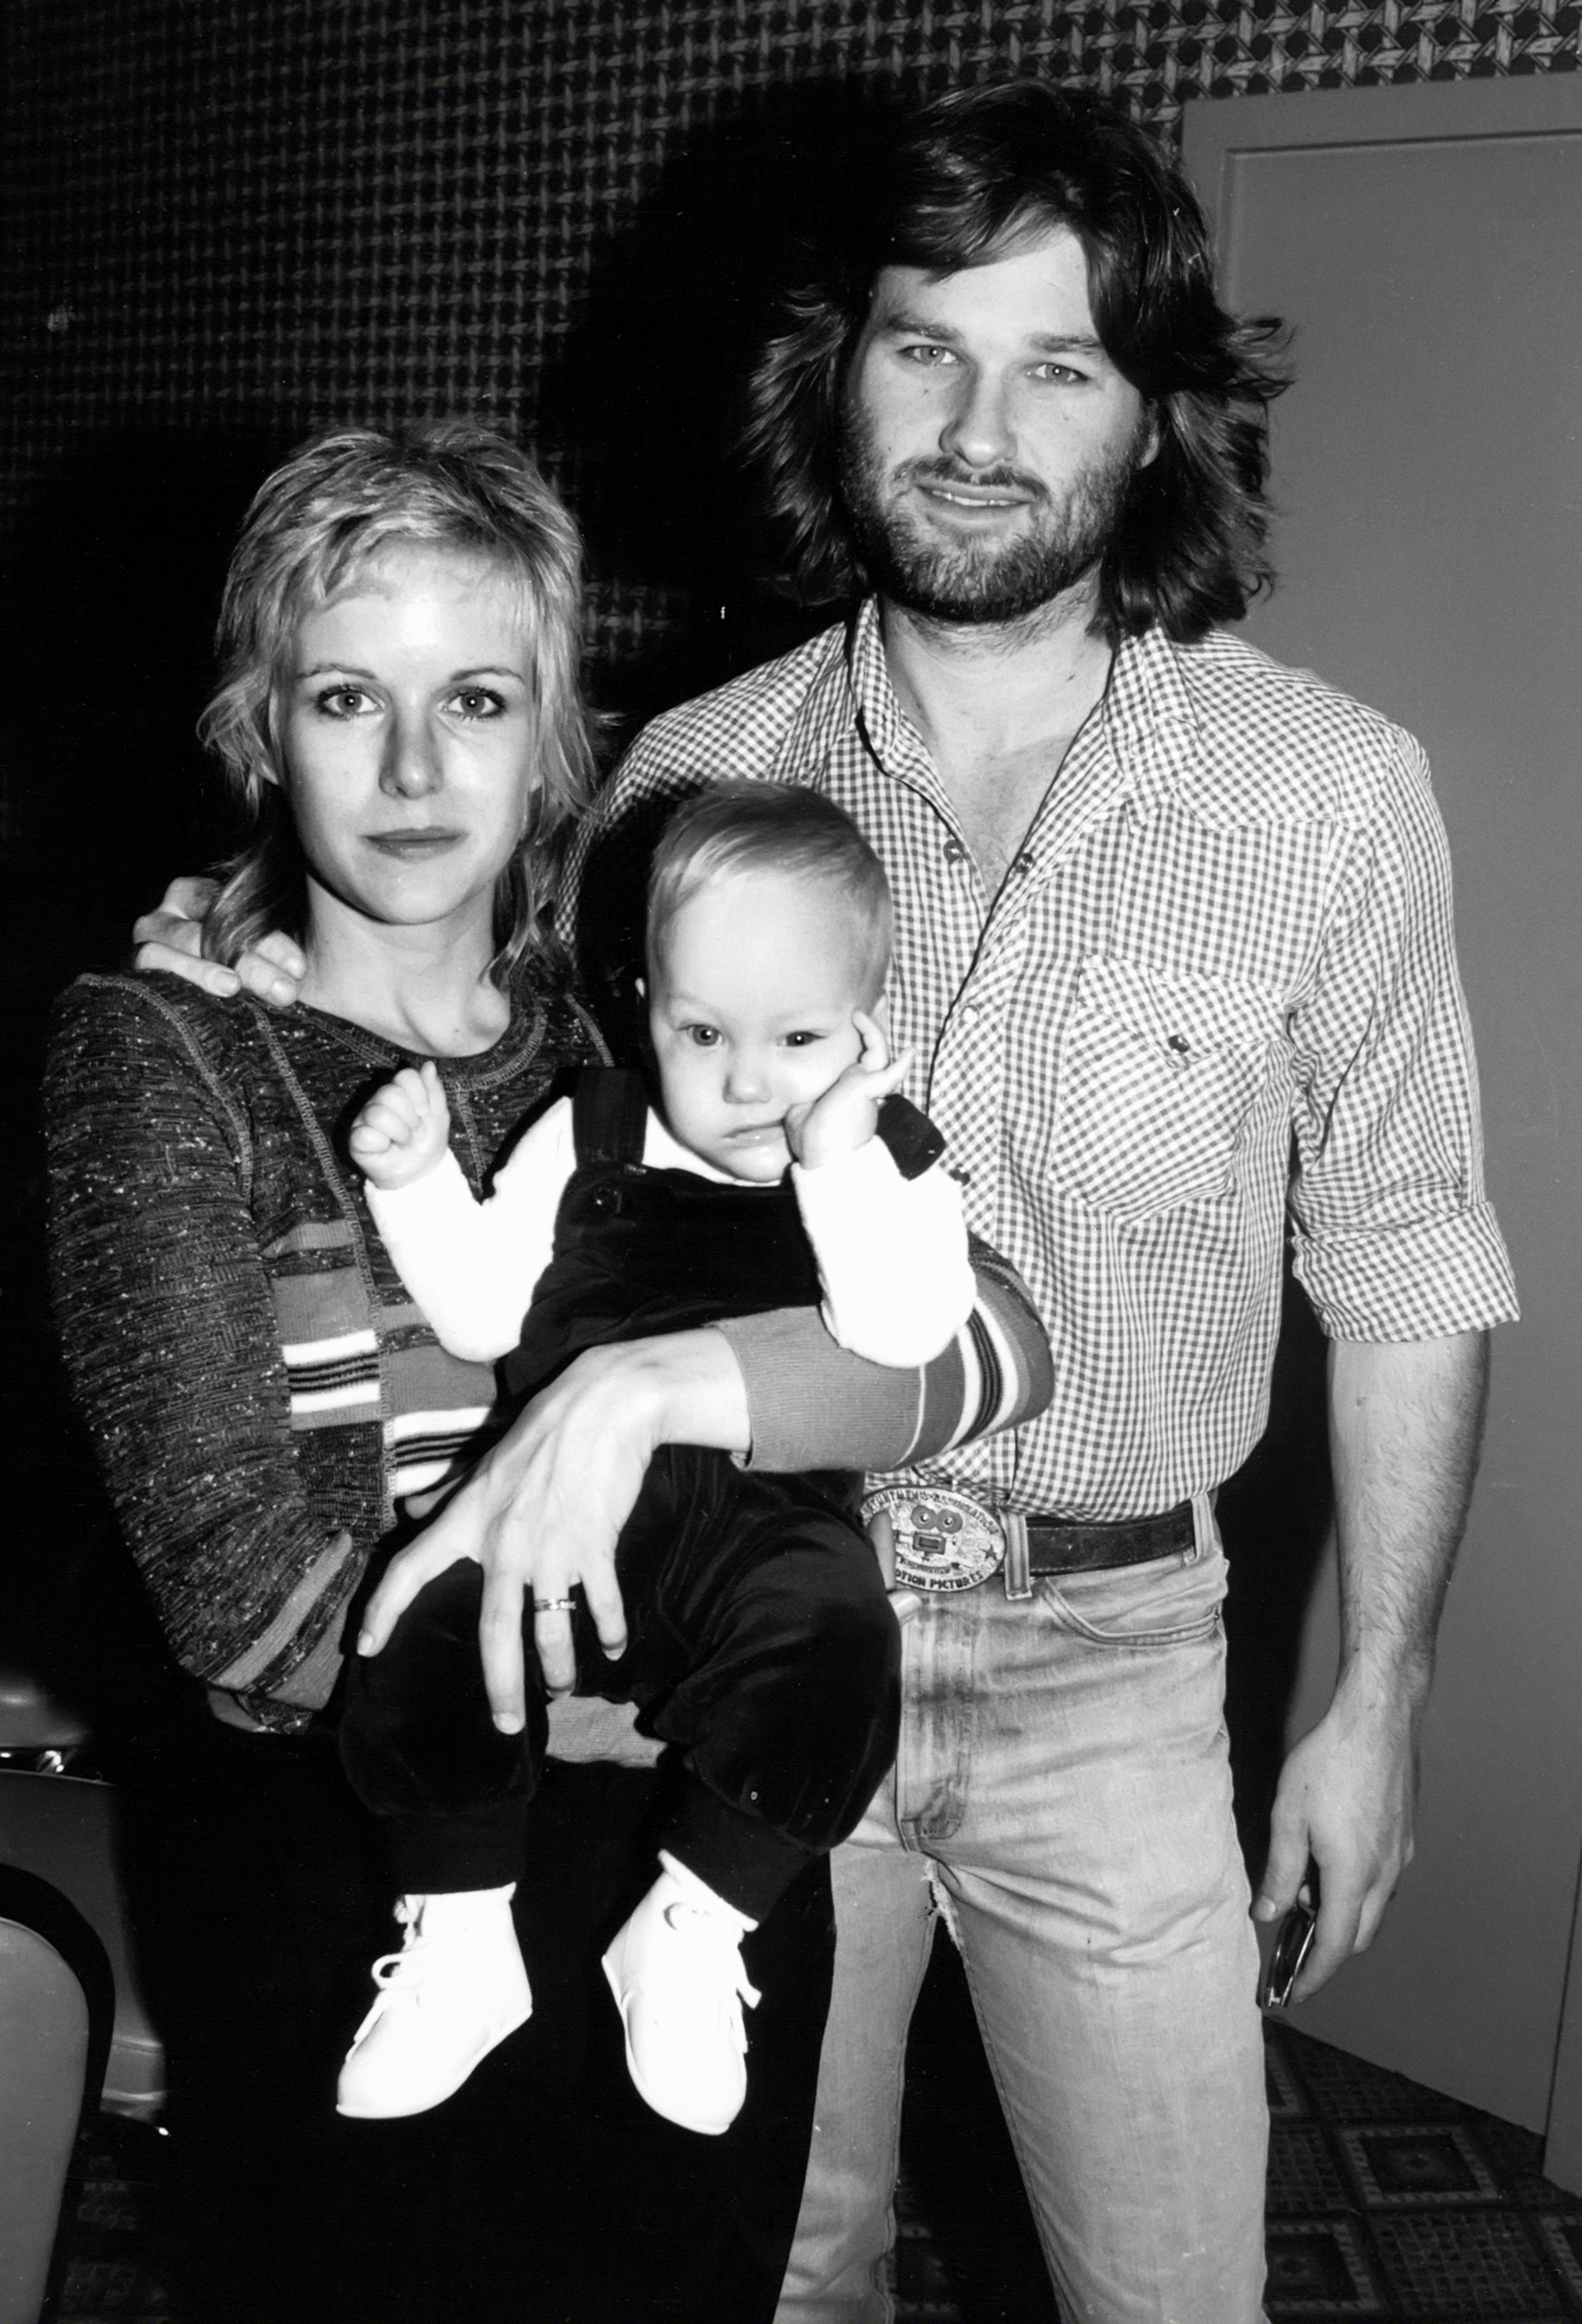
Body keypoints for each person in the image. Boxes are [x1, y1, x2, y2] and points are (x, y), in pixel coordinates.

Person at [129, 77, 1519, 2324]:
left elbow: (1408, 1263)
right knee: (766, 2274)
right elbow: (471, 1040)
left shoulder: (1330, 802)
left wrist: (1373, 1699)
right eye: (920, 347)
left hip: (1123, 1673)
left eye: (1054, 362)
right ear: (835, 374)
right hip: (748, 1638)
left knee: (1170, 2290)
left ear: (1150, 416)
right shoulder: (682, 783)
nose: (977, 425)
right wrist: (241, 941)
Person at [49, 419, 1050, 2324]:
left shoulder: (631, 1033)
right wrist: (652, 1674)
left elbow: (993, 1342)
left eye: (479, 697)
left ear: (555, 742)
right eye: (350, 696)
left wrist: (644, 1400)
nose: (419, 769)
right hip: (367, 1894)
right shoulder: (164, 1051)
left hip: (692, 1909)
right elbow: (246, 1607)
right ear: (262, 725)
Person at [334, 781, 983, 2138]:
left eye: (797, 1038)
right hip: (563, 1526)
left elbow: (905, 1326)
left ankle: (692, 1931)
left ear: (869, 1031)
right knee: (422, 1623)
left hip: (761, 1538)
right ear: (645, 1008)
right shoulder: (594, 1130)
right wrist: (414, 1185)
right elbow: (481, 1312)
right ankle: (460, 1938)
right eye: (701, 1031)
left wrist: (841, 1156)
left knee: (838, 1643)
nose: (747, 1081)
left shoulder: (888, 1162)